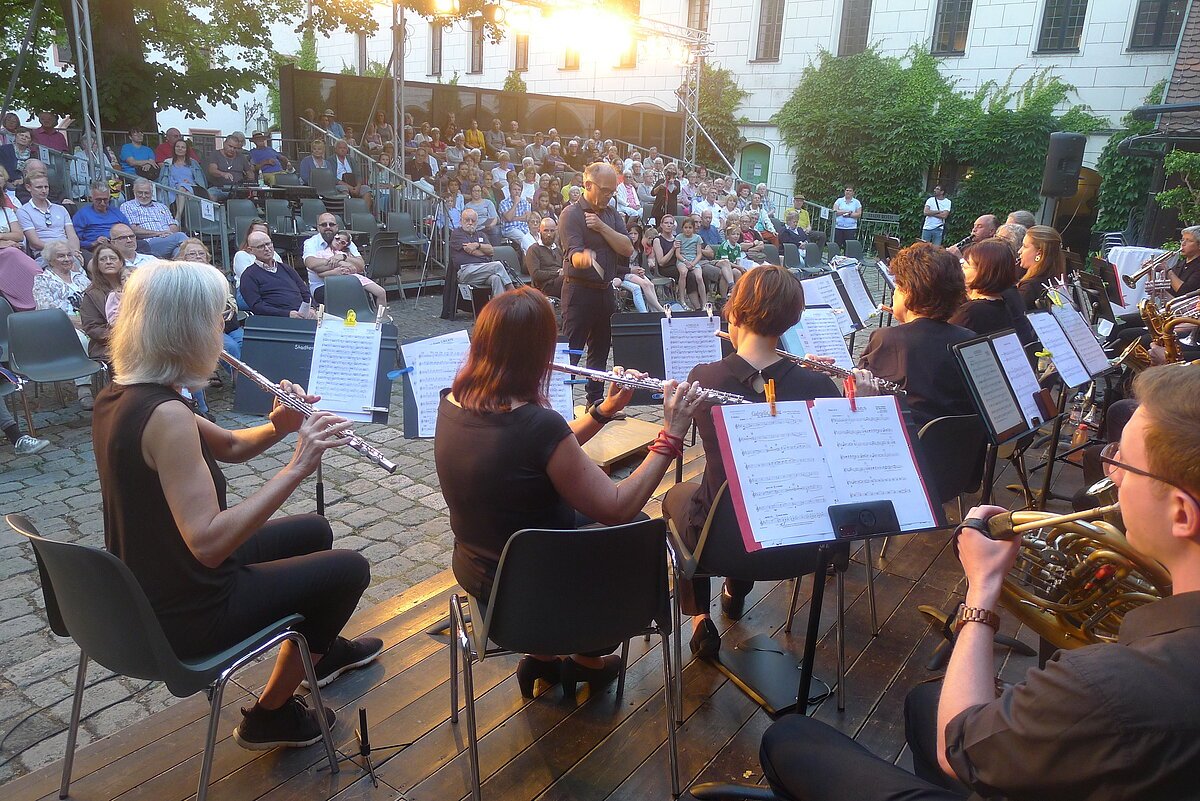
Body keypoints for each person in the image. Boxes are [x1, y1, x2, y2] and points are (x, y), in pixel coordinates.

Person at [762, 363, 1200, 801]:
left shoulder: (1107, 687)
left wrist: (983, 586)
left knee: (790, 738)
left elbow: (958, 742)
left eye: (1123, 462)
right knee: (922, 703)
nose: (1110, 471)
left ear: (1181, 513)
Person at [94, 259, 379, 750]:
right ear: (184, 330)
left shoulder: (124, 394)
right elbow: (207, 542)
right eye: (215, 318)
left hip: (151, 581)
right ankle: (270, 715)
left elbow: (227, 445)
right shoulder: (166, 416)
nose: (222, 329)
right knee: (348, 569)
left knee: (314, 530)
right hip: (190, 607)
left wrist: (280, 425)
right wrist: (297, 464)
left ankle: (317, 652)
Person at [434, 287, 702, 697]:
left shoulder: (453, 401)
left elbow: (543, 449)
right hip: (533, 591)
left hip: (483, 571)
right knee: (635, 525)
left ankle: (541, 660)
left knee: (604, 527)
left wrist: (602, 412)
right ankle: (586, 660)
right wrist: (672, 435)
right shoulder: (536, 424)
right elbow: (616, 505)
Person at [663, 266, 841, 656]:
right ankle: (735, 587)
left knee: (679, 496)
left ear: (734, 313)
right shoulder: (819, 384)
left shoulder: (704, 376)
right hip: (801, 544)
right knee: (750, 496)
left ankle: (700, 619)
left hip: (722, 542)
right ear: (793, 319)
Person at [855, 241, 975, 429]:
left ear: (909, 291)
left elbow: (861, 395)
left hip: (905, 449)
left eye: (897, 286)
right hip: (960, 453)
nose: (894, 293)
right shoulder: (969, 339)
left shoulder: (886, 339)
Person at [558, 163, 633, 408]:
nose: (608, 196)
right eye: (604, 190)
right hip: (579, 291)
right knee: (572, 352)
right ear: (587, 185)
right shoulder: (572, 214)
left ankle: (595, 401)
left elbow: (627, 248)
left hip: (605, 291)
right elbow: (574, 255)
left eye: (612, 191)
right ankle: (561, 406)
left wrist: (601, 227)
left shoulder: (611, 215)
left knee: (600, 352)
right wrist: (583, 258)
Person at [33, 240, 94, 409]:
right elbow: (46, 311)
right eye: (61, 256)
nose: (67, 259)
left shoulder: (81, 278)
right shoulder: (42, 280)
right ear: (50, 260)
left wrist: (90, 320)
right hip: (60, 329)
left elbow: (95, 301)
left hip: (88, 321)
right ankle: (84, 388)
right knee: (81, 340)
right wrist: (75, 321)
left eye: (69, 255)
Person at [949, 237, 1024, 337]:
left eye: (965, 266)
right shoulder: (1004, 304)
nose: (961, 270)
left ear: (982, 272)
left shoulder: (970, 313)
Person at [241, 231, 314, 317]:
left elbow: (305, 292)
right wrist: (288, 314)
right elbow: (257, 307)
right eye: (261, 246)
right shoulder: (249, 276)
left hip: (303, 316)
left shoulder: (286, 268)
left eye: (268, 244)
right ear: (251, 250)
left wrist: (311, 308)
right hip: (277, 321)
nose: (267, 249)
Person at [0, 168, 43, 311]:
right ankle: (28, 303)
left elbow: (18, 235)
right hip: (8, 251)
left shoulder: (6, 212)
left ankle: (41, 292)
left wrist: (2, 238)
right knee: (13, 254)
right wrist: (4, 243)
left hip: (11, 249)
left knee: (16, 255)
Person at [302, 213, 366, 305]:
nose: (328, 227)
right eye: (324, 224)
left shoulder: (345, 241)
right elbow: (312, 264)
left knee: (367, 293)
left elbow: (361, 266)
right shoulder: (310, 243)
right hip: (322, 286)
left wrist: (344, 257)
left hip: (348, 282)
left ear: (337, 227)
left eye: (331, 224)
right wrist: (342, 263)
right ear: (318, 227)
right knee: (342, 296)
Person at [451, 208, 516, 297]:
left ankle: (498, 308)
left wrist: (478, 245)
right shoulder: (457, 233)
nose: (470, 223)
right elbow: (471, 251)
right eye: (467, 220)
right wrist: (484, 252)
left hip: (484, 270)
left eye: (473, 220)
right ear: (460, 221)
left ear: (477, 222)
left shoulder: (481, 235)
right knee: (497, 265)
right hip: (466, 271)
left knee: (496, 278)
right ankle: (512, 291)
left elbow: (491, 251)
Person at [79, 243, 127, 362]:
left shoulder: (135, 287)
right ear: (97, 265)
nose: (108, 262)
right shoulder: (91, 294)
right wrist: (123, 336)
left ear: (121, 262)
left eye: (113, 258)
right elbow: (92, 327)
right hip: (107, 346)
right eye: (103, 259)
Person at [17, 172, 79, 263]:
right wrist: (61, 250)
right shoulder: (23, 211)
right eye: (39, 187)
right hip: (44, 253)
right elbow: (35, 242)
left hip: (68, 252)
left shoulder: (61, 209)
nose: (44, 190)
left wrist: (75, 251)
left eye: (46, 187)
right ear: (28, 187)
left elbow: (72, 236)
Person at [121, 179, 188, 259]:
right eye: (140, 192)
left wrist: (168, 233)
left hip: (168, 239)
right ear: (134, 192)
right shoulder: (127, 206)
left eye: (146, 193)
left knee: (178, 250)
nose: (143, 196)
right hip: (148, 243)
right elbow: (134, 230)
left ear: (152, 193)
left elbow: (173, 225)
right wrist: (159, 233)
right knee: (180, 237)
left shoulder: (162, 206)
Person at [328, 231, 388, 311]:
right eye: (337, 239)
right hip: (339, 279)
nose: (339, 242)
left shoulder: (346, 254)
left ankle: (383, 319)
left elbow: (359, 267)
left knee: (381, 292)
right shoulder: (324, 251)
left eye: (342, 242)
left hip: (355, 277)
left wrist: (344, 257)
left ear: (345, 245)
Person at [618, 224, 666, 314]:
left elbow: (638, 264)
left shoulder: (639, 247)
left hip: (635, 272)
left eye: (635, 233)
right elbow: (615, 267)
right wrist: (631, 270)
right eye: (630, 233)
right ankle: (660, 310)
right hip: (624, 273)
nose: (633, 236)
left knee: (650, 285)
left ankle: (654, 311)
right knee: (644, 284)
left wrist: (641, 270)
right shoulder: (622, 247)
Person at [72, 181, 131, 253]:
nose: (102, 203)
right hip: (95, 248)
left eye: (105, 199)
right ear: (91, 198)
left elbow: (129, 230)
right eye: (98, 200)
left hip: (119, 244)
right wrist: (93, 243)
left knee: (143, 244)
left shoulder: (116, 212)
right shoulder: (82, 214)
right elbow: (74, 239)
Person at [1017, 224, 1065, 310]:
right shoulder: (1057, 283)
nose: (1019, 251)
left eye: (1025, 246)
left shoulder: (1029, 288)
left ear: (1039, 253)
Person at [158, 138, 208, 212]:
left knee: (183, 188)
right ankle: (182, 218)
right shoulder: (168, 164)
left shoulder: (193, 163)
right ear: (174, 149)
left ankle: (178, 217)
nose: (180, 149)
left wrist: (190, 183)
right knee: (183, 189)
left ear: (186, 150)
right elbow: (164, 180)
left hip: (192, 188)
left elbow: (200, 181)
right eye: (177, 147)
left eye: (183, 147)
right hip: (174, 189)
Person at [232, 220, 281, 289]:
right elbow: (249, 280)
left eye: (263, 233)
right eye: (256, 232)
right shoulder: (241, 255)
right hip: (249, 290)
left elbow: (281, 274)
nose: (259, 235)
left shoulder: (274, 255)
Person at [524, 217, 565, 299]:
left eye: (552, 231)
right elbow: (535, 274)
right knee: (568, 280)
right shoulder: (533, 249)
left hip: (560, 281)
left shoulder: (557, 250)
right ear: (540, 231)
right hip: (545, 287)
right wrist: (557, 273)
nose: (549, 234)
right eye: (546, 230)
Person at [205, 136, 254, 202]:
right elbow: (212, 170)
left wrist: (250, 179)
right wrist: (223, 174)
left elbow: (249, 172)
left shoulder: (241, 157)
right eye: (230, 146)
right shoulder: (216, 154)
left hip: (238, 189)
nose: (232, 149)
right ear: (224, 144)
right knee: (209, 194)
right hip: (220, 188)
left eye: (235, 148)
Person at [673, 217, 708, 310]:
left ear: (693, 228)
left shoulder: (697, 238)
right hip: (682, 260)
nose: (687, 230)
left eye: (690, 228)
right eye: (685, 227)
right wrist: (685, 261)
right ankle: (682, 300)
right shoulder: (679, 237)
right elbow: (677, 254)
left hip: (694, 260)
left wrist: (693, 263)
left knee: (699, 278)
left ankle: (705, 303)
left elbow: (699, 254)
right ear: (682, 228)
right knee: (683, 273)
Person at [332, 140, 374, 211]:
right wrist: (349, 187)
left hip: (354, 185)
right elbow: (332, 178)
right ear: (335, 149)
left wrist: (358, 187)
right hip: (339, 185)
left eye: (344, 148)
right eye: (340, 148)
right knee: (344, 189)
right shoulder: (330, 160)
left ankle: (365, 214)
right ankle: (349, 215)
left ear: (347, 150)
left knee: (366, 189)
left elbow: (358, 175)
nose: (342, 150)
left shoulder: (351, 160)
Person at [499, 173, 535, 252]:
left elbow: (527, 218)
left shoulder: (525, 202)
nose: (517, 192)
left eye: (519, 190)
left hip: (524, 228)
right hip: (510, 229)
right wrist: (515, 203)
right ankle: (534, 254)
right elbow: (508, 218)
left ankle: (532, 257)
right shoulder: (504, 203)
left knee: (534, 239)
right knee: (524, 239)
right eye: (514, 189)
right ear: (510, 191)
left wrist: (513, 218)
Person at [1167, 224, 1200, 297]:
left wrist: (1167, 271)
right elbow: (1167, 289)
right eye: (1182, 240)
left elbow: (1184, 291)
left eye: (1188, 241)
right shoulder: (1181, 264)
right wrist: (1151, 273)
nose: (1183, 244)